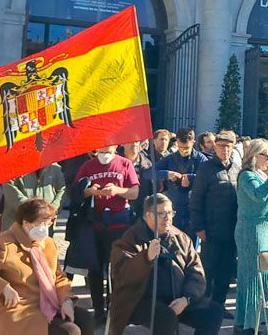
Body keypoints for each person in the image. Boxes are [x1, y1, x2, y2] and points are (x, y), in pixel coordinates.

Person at [0, 198, 95, 335]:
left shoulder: (48, 244)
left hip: (50, 302)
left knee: (85, 318)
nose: (45, 229)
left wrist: (66, 299)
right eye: (40, 224)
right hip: (21, 309)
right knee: (69, 331)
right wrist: (2, 287)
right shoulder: (4, 244)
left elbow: (58, 277)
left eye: (48, 223)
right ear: (26, 223)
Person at [108, 194, 224, 335]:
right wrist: (145, 257)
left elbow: (196, 274)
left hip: (178, 299)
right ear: (147, 215)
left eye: (170, 213)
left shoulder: (181, 238)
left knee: (214, 311)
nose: (167, 218)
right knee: (165, 317)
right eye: (161, 213)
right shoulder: (131, 239)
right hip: (139, 300)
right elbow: (122, 274)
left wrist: (186, 299)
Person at [74, 145, 140, 323]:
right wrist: (91, 191)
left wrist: (118, 191)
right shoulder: (88, 166)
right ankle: (98, 311)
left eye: (107, 152)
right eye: (101, 152)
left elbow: (135, 192)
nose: (104, 155)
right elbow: (77, 190)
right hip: (95, 225)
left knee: (116, 270)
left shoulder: (125, 164)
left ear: (115, 149)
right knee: (95, 270)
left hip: (119, 225)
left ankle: (114, 308)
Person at [232, 139, 268, 333]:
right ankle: (248, 323)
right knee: (253, 275)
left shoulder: (259, 175)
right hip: (251, 231)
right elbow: (258, 196)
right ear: (254, 156)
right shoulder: (247, 176)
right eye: (265, 155)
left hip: (262, 231)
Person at [189, 130, 239, 310]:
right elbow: (196, 200)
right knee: (208, 271)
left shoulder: (236, 168)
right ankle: (202, 306)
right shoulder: (206, 169)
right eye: (220, 146)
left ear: (233, 147)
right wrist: (199, 228)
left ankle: (218, 307)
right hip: (210, 231)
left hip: (232, 230)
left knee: (225, 272)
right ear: (215, 147)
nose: (224, 149)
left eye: (228, 146)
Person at [152, 128, 207, 238]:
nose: (183, 150)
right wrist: (168, 174)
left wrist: (190, 178)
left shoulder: (200, 159)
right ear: (176, 142)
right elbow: (149, 173)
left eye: (186, 148)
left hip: (193, 210)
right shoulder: (171, 158)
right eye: (180, 147)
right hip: (174, 210)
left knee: (191, 246)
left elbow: (209, 176)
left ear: (193, 142)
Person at [1, 164, 66, 230]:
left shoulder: (55, 167)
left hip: (46, 224)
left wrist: (52, 209)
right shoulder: (11, 167)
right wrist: (37, 212)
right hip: (17, 223)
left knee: (44, 240)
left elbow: (62, 190)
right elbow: (12, 194)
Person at [121, 140, 155, 223]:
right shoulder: (116, 163)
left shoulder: (148, 164)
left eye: (137, 141)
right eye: (131, 141)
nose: (134, 144)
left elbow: (152, 190)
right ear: (123, 144)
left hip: (141, 212)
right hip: (120, 211)